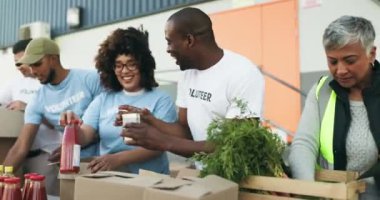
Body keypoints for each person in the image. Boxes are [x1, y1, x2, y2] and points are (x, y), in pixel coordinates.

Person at [120, 7, 265, 159]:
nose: (168, 50)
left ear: (189, 40)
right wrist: (150, 121)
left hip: (241, 178)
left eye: (169, 42)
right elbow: (186, 132)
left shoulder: (242, 73)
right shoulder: (187, 74)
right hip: (206, 176)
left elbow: (237, 144)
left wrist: (164, 141)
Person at [60, 27, 176, 174]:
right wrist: (73, 126)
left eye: (131, 63)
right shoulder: (103, 99)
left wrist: (118, 159)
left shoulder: (161, 99)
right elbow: (84, 137)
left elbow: (161, 145)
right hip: (111, 180)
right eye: (119, 65)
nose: (125, 71)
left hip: (150, 181)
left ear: (143, 65)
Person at [288, 16, 379, 199]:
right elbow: (304, 144)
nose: (341, 70)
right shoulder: (321, 91)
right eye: (333, 61)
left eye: (350, 60)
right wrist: (310, 191)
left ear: (371, 53)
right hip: (329, 193)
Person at [3, 37, 102, 194]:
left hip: (106, 161)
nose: (33, 71)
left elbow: (109, 121)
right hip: (73, 166)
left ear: (53, 59)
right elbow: (20, 148)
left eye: (37, 64)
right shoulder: (37, 100)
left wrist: (74, 142)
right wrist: (2, 174)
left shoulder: (91, 79)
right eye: (30, 65)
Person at [0, 39, 61, 195]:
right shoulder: (13, 84)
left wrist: (27, 108)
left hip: (45, 155)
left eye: (24, 62)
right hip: (18, 154)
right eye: (17, 63)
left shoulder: (49, 83)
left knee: (43, 195)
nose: (21, 67)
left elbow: (58, 122)